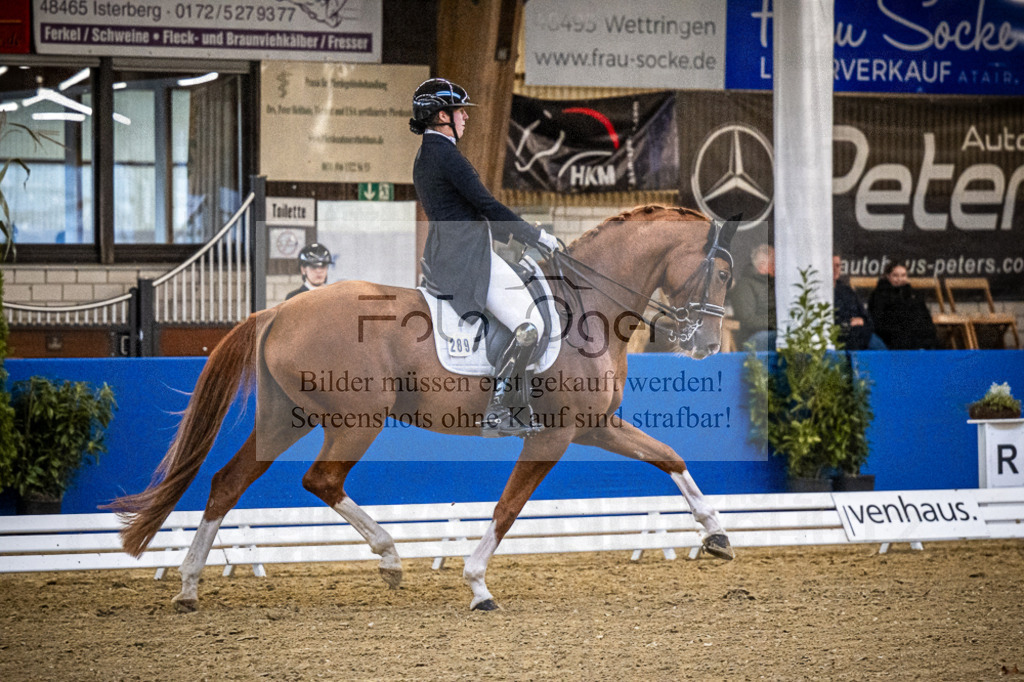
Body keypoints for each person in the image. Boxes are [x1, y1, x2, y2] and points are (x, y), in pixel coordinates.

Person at [409, 77, 559, 437]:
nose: (465, 117)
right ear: (442, 115)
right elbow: (486, 205)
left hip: (449, 254)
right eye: (460, 111)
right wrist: (536, 235)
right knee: (529, 327)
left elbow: (469, 211)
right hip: (467, 260)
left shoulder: (426, 155)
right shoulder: (446, 155)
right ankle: (499, 409)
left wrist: (511, 235)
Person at [868, 261, 940, 350]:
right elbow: (877, 321)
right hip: (893, 336)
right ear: (888, 276)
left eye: (903, 275)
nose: (899, 279)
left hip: (914, 335)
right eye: (895, 275)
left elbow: (925, 317)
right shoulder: (879, 295)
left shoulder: (913, 295)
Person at [728, 244, 777, 351]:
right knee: (781, 339)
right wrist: (776, 322)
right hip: (754, 338)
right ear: (762, 266)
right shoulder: (744, 286)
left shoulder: (777, 285)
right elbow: (748, 320)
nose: (777, 265)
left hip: (775, 332)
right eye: (773, 262)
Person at [832, 255, 886, 351]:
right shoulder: (821, 292)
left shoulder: (847, 291)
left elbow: (866, 317)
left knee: (882, 352)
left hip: (862, 334)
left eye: (837, 265)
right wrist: (848, 323)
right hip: (841, 337)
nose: (835, 269)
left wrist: (862, 321)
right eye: (831, 265)